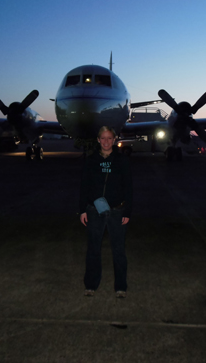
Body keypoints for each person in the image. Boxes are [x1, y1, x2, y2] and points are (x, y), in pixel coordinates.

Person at [79, 126, 133, 298]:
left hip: (117, 210)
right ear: (98, 140)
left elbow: (129, 187)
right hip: (94, 210)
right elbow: (84, 186)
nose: (106, 141)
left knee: (118, 250)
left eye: (109, 138)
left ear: (114, 139)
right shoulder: (91, 160)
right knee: (93, 249)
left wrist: (127, 211)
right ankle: (91, 284)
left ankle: (121, 286)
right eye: (103, 138)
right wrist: (82, 210)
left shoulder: (122, 160)